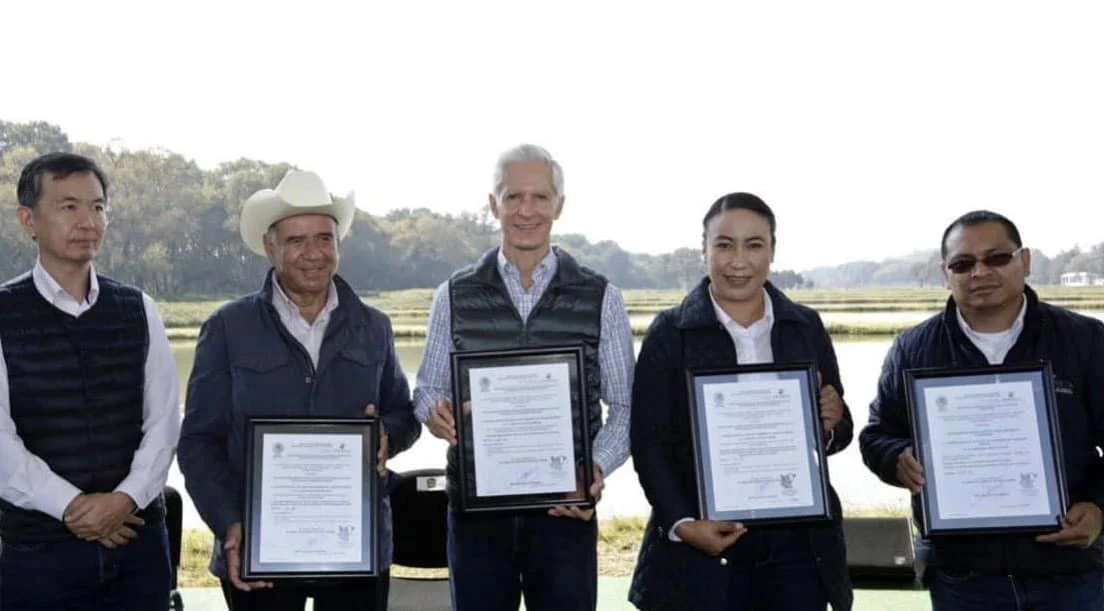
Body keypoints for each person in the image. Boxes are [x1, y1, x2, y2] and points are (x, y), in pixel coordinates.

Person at [178, 169, 420, 611]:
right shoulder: (227, 328)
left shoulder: (374, 327)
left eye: (324, 238)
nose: (313, 254)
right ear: (270, 248)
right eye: (295, 241)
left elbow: (404, 415)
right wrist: (228, 522)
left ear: (338, 246)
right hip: (258, 546)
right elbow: (197, 442)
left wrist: (387, 433)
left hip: (356, 548)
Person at [413, 143, 635, 611]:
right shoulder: (452, 294)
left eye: (539, 197)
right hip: (475, 516)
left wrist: (592, 469)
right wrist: (436, 415)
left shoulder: (602, 296)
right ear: (493, 204)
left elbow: (626, 406)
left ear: (559, 204)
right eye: (513, 197)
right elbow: (429, 388)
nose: (526, 211)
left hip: (565, 512)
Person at [860, 209, 1104, 609]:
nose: (979, 272)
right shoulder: (914, 349)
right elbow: (877, 435)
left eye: (996, 258)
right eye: (963, 263)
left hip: (1069, 571)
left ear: (1024, 261)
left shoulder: (1085, 340)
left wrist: (1098, 509)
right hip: (962, 576)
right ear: (946, 274)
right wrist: (896, 457)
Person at [628, 192, 853, 611]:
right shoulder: (670, 331)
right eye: (724, 244)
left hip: (797, 548)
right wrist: (683, 524)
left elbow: (837, 428)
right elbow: (648, 442)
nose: (738, 261)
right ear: (704, 250)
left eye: (754, 245)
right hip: (704, 543)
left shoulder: (806, 326)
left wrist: (833, 421)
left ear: (772, 251)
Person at [0, 152, 181, 610]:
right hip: (39, 552)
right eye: (69, 207)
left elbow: (162, 422)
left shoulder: (139, 309)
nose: (88, 221)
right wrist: (74, 508)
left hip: (138, 547)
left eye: (98, 207)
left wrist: (124, 500)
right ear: (28, 220)